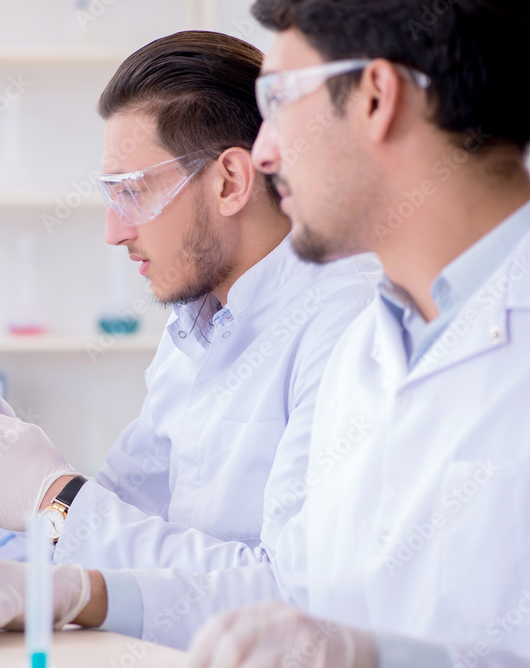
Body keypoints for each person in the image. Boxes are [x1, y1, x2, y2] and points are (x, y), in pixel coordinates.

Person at [0, 30, 379, 646]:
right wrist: (5, 453)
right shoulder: (196, 322)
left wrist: (53, 497)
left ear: (230, 181)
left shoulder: (347, 321)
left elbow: (295, 599)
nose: (114, 232)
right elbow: (120, 510)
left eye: (132, 192)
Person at [183, 0, 530, 665]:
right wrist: (84, 592)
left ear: (376, 95)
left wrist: (377, 658)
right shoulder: (362, 353)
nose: (262, 153)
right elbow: (293, 593)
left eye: (278, 99)